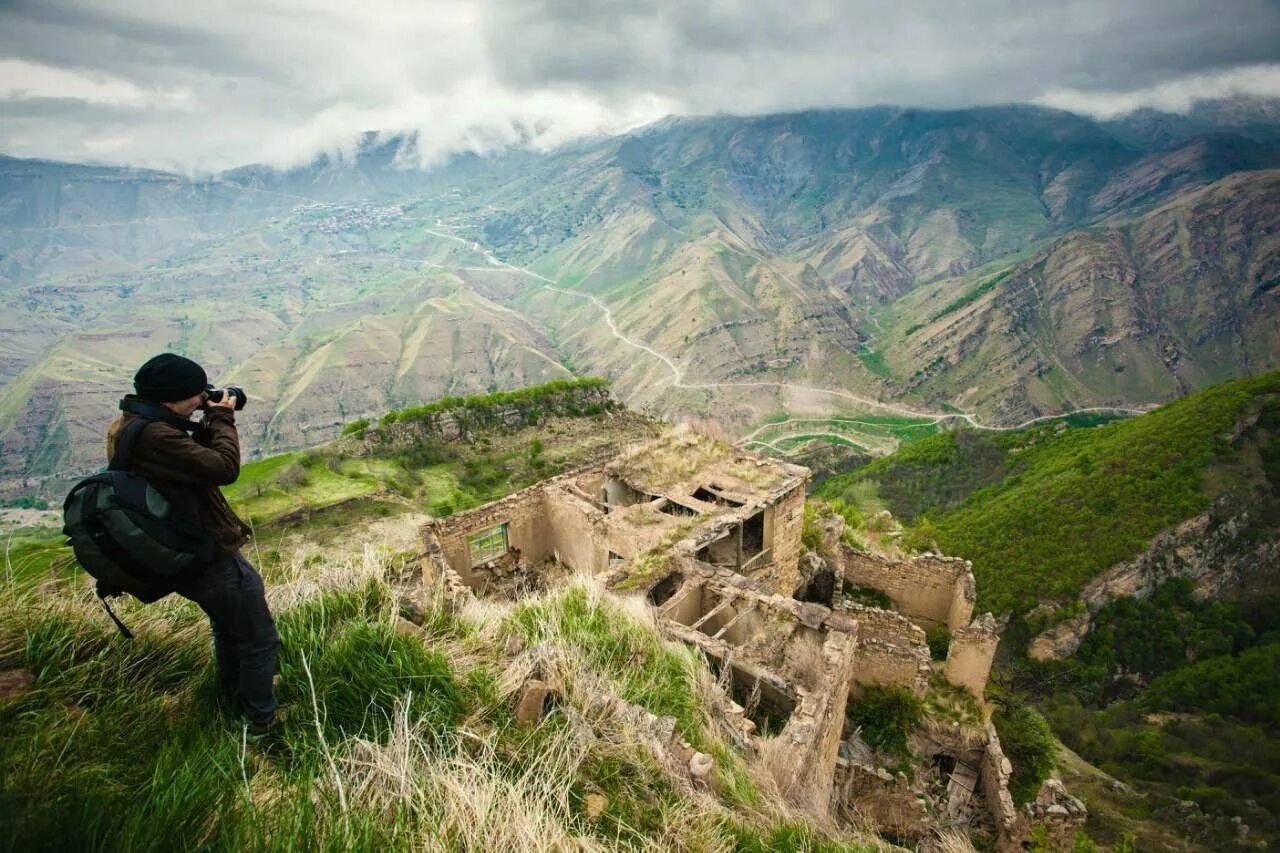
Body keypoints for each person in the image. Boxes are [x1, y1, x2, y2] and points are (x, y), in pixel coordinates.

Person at [106, 353, 280, 735]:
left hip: (181, 553)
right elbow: (223, 468)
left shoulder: (131, 426)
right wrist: (221, 416)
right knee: (259, 638)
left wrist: (200, 423)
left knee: (227, 625)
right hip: (204, 553)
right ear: (171, 399)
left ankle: (232, 699)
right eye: (197, 394)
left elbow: (187, 466)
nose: (203, 399)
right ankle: (260, 723)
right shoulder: (155, 435)